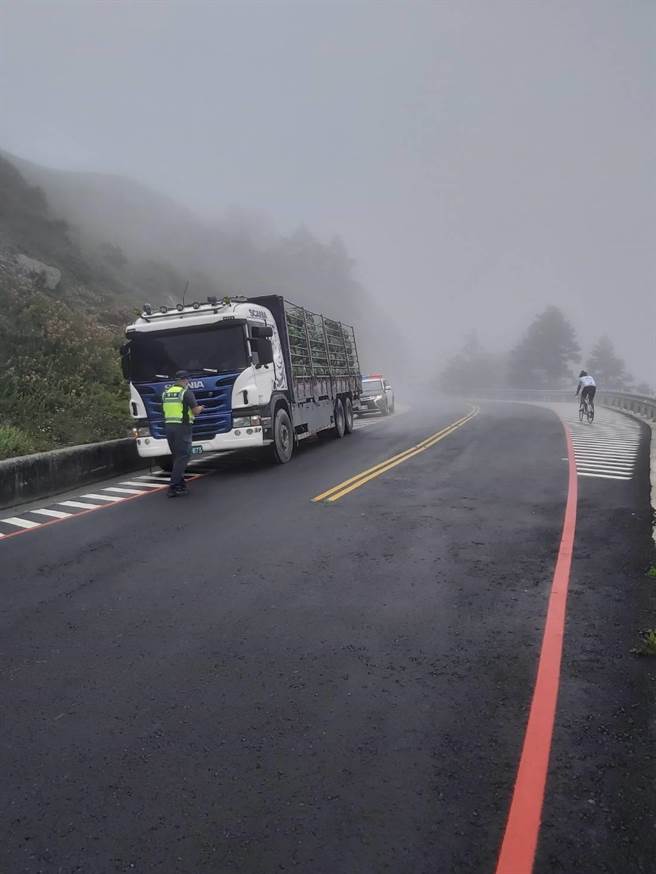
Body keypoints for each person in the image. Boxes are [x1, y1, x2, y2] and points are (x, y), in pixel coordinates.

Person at [161, 370, 204, 497]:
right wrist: (201, 408)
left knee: (177, 457)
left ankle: (180, 485)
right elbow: (195, 411)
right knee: (183, 456)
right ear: (185, 380)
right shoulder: (186, 393)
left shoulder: (165, 394)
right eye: (187, 380)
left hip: (169, 427)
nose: (188, 383)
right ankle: (173, 486)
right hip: (182, 427)